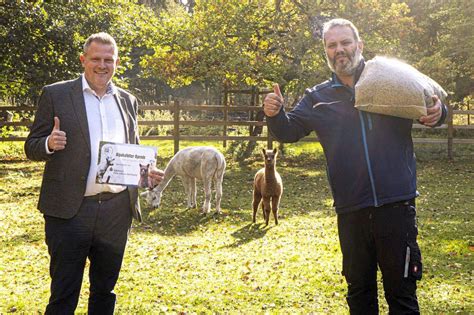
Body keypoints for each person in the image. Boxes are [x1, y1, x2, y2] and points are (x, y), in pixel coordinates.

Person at [263, 18, 447, 314]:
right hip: (351, 211)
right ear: (325, 51)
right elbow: (287, 131)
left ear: (359, 45)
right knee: (359, 296)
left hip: (396, 207)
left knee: (402, 295)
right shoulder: (317, 98)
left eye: (345, 43)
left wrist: (439, 112)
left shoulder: (388, 81)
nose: (340, 50)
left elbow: (432, 105)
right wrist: (274, 113)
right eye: (332, 45)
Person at [24, 32, 164, 314]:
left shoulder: (128, 101)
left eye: (108, 60)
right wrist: (49, 144)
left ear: (117, 62)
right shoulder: (56, 94)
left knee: (105, 291)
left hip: (115, 211)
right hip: (70, 211)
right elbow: (31, 146)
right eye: (96, 59)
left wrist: (144, 175)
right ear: (83, 60)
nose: (102, 65)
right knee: (64, 293)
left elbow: (131, 149)